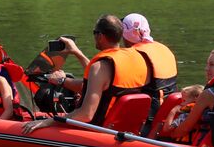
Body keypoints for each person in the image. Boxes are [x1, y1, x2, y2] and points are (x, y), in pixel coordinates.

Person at [22, 14, 150, 132]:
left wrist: (48, 121)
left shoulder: (100, 67)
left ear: (100, 36)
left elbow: (86, 114)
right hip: (124, 129)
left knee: (43, 124)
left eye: (94, 33)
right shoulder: (137, 59)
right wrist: (76, 53)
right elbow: (100, 84)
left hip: (98, 132)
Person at [121, 13, 178, 98]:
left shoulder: (133, 56)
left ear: (125, 34)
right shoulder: (164, 49)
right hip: (168, 105)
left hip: (151, 107)